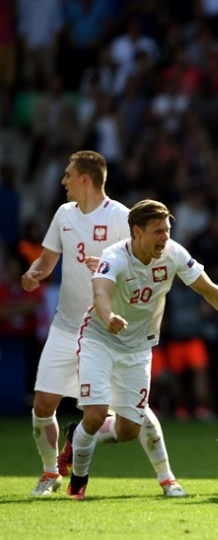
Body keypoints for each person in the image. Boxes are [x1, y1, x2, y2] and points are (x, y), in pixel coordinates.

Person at [65, 199, 218, 499]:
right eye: (158, 231)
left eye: (167, 230)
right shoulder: (115, 256)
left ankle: (75, 435)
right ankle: (79, 481)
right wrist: (108, 316)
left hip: (137, 347)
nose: (164, 237)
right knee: (94, 415)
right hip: (100, 338)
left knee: (128, 431)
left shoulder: (174, 254)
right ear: (137, 231)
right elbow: (100, 293)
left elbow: (210, 291)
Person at [20, 151, 182, 498]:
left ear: (85, 179)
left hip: (107, 332)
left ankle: (165, 475)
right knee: (42, 405)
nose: (62, 181)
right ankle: (51, 473)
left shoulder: (123, 217)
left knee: (130, 419)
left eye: (68, 175)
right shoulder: (63, 215)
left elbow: (139, 260)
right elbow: (49, 259)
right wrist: (36, 272)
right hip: (67, 327)